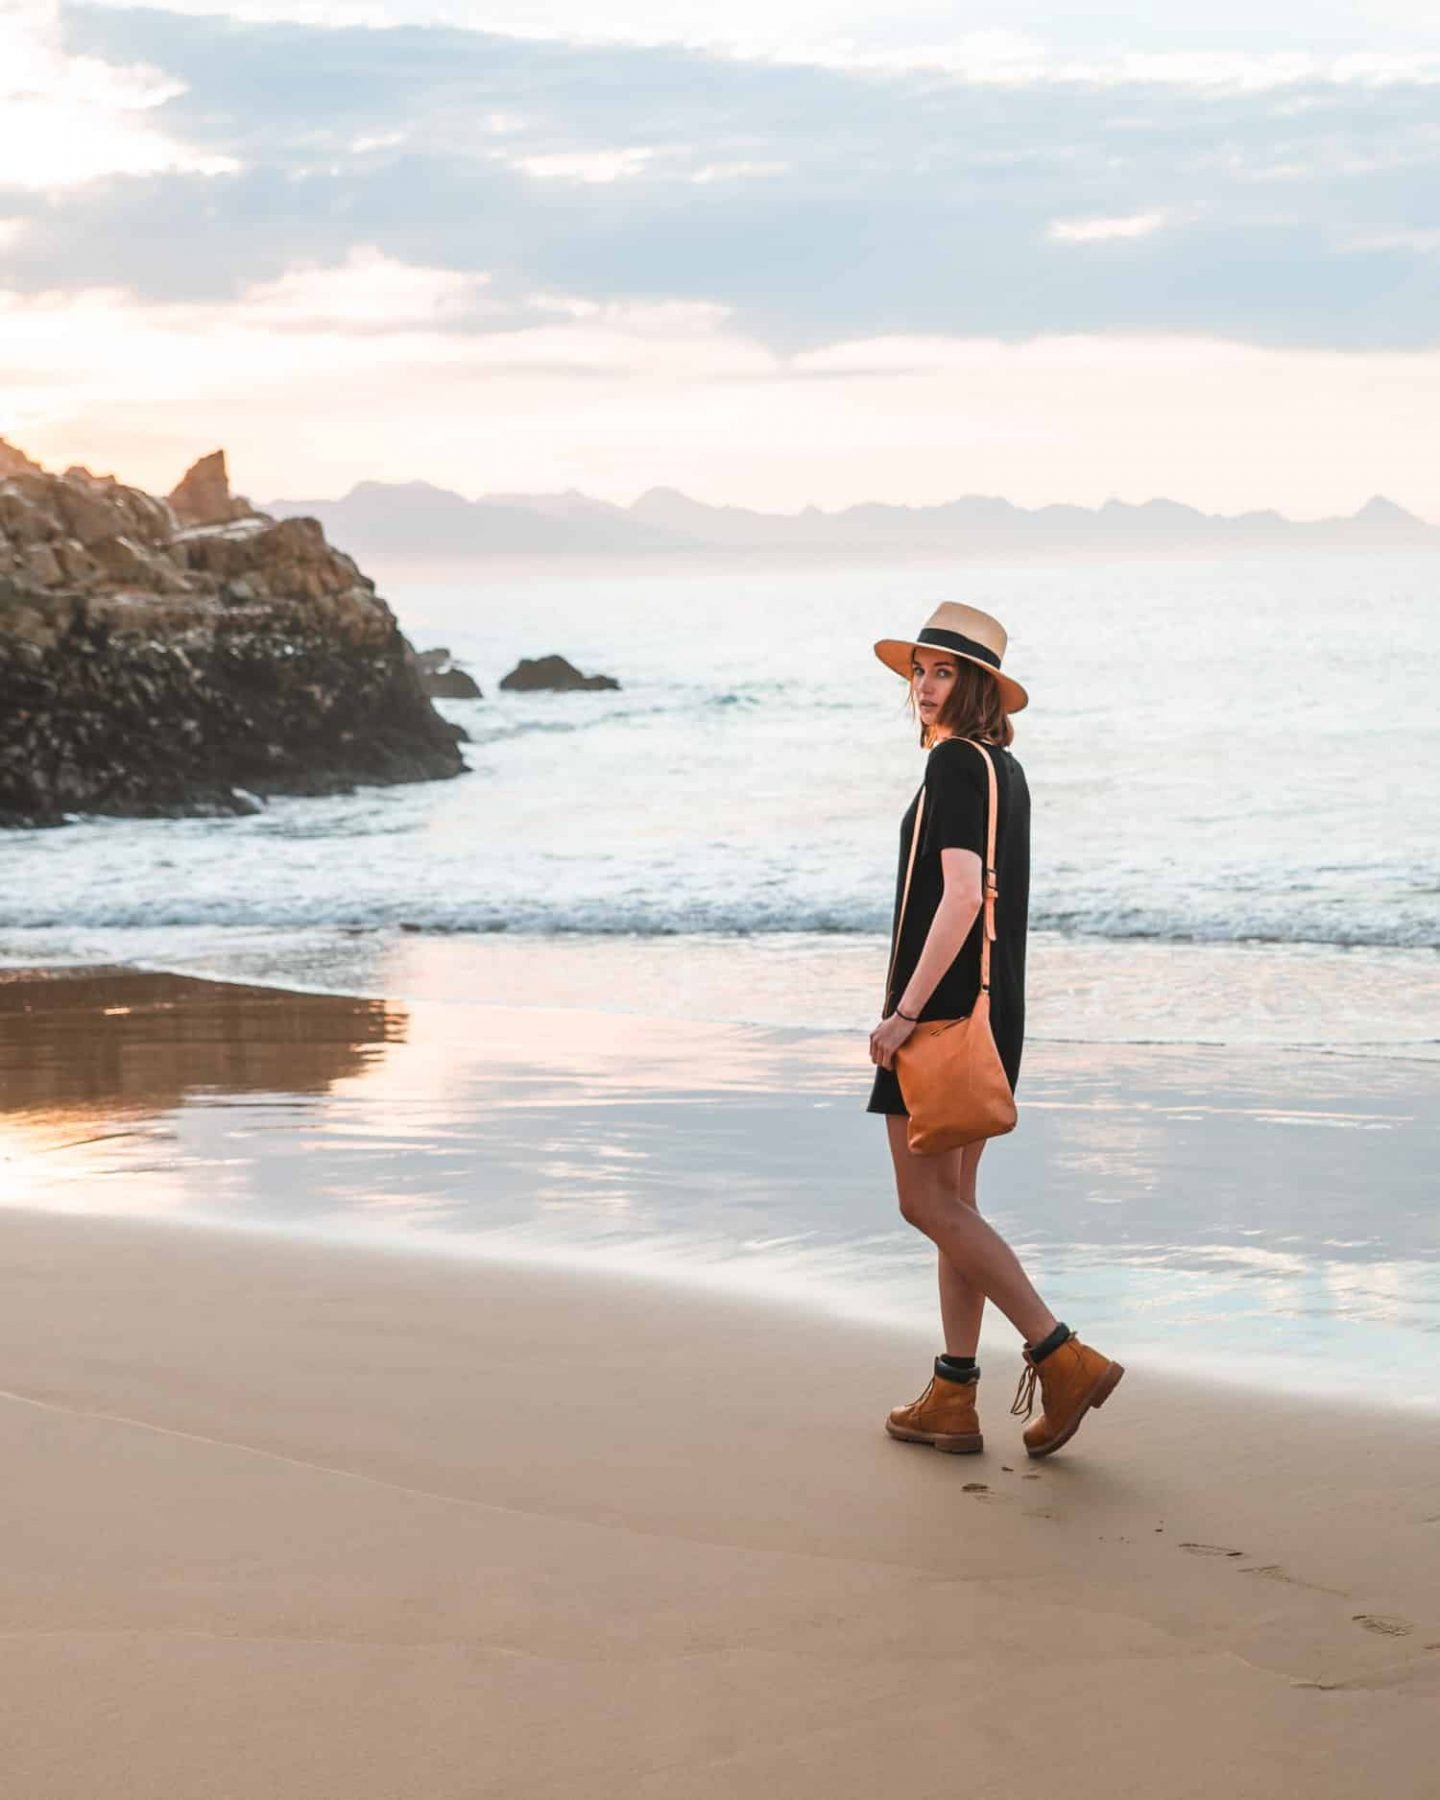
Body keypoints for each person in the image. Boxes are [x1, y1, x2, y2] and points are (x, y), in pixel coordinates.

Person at [866, 601, 1124, 1458]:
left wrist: (903, 1014)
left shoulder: (952, 770)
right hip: (992, 1009)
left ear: (980, 687)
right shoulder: (1002, 771)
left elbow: (963, 894)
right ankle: (952, 1393)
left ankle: (1061, 1354)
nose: (927, 687)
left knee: (924, 1201)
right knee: (956, 1207)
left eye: (945, 673)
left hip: (939, 1011)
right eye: (921, 671)